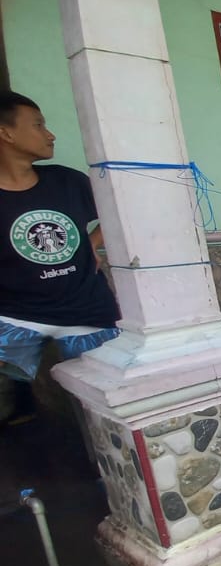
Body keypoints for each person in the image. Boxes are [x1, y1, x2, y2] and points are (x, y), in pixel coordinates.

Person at [0, 91, 120, 424]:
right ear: (5, 133)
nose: (50, 134)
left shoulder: (67, 182)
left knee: (104, 406)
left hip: (87, 312)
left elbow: (117, 212)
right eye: (38, 125)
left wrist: (92, 242)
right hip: (15, 316)